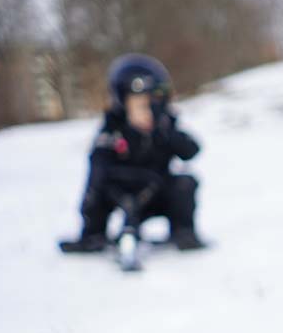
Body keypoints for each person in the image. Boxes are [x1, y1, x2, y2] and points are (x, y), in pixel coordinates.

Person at [59, 53, 206, 253]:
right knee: (97, 187)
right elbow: (97, 169)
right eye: (140, 106)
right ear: (123, 104)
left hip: (155, 194)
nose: (147, 112)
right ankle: (93, 234)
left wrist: (165, 130)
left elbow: (191, 151)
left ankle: (183, 231)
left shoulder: (164, 128)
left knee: (185, 183)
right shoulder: (113, 132)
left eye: (152, 105)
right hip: (121, 196)